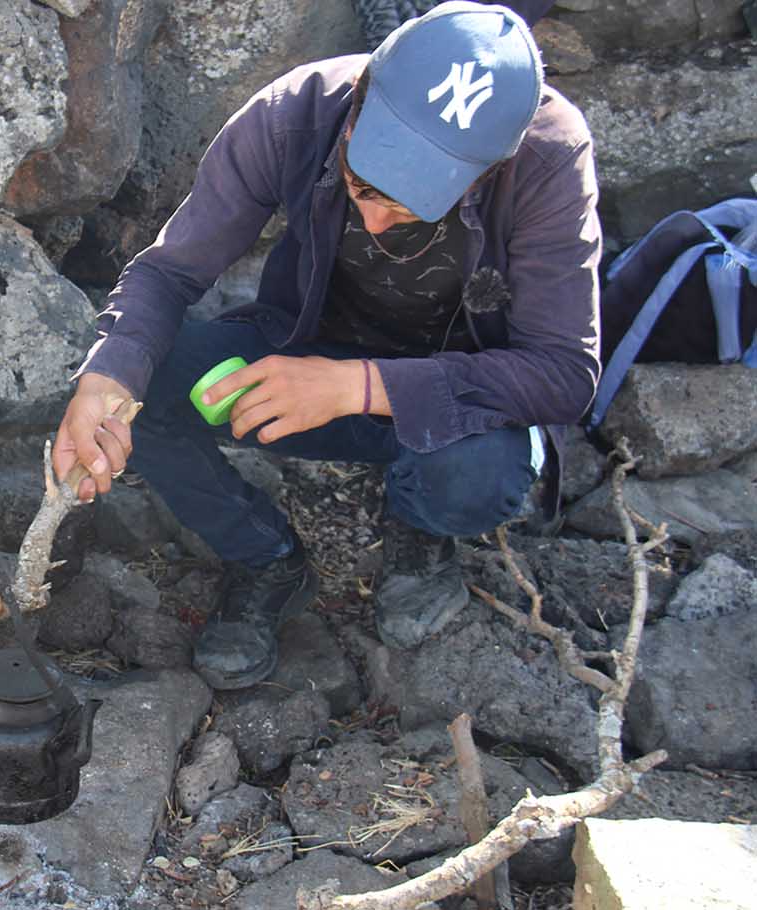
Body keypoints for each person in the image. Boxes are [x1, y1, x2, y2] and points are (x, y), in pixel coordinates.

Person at [51, 1, 602, 690]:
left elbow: (564, 372)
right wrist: (108, 379)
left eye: (406, 206)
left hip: (448, 403)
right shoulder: (295, 113)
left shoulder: (546, 157)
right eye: (361, 185)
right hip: (302, 354)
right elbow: (169, 273)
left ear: (489, 169)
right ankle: (265, 558)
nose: (374, 221)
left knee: (476, 479)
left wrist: (354, 388)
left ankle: (419, 533)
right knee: (146, 383)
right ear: (362, 100)